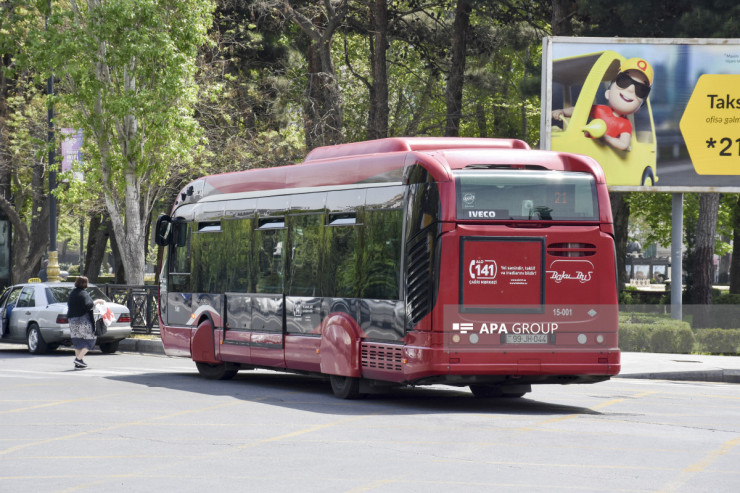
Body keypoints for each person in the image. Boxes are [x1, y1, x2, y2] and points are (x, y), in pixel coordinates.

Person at [552, 57, 653, 151]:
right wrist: (563, 112)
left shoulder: (625, 124)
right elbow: (579, 110)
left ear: (638, 108)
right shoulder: (601, 110)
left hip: (601, 153)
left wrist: (606, 138)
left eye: (641, 89)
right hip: (585, 146)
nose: (631, 89)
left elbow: (623, 144)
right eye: (624, 81)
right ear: (608, 93)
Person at [67, 276, 97, 369]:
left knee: (78, 341)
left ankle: (78, 363)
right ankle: (78, 359)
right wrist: (97, 302)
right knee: (90, 340)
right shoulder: (84, 294)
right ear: (85, 284)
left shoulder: (72, 293)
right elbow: (89, 305)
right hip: (83, 321)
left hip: (72, 320)